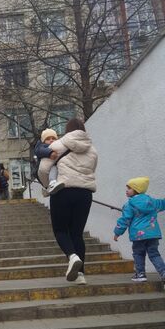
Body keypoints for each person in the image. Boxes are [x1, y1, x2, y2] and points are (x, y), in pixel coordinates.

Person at [46, 118, 98, 285]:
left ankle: (72, 256)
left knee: (60, 230)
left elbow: (43, 168)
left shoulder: (58, 145)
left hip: (63, 191)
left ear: (67, 130)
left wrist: (47, 185)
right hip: (85, 194)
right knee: (77, 234)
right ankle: (80, 275)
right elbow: (92, 170)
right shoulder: (93, 150)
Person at [113, 176, 165, 283]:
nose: (126, 190)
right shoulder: (152, 202)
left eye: (129, 188)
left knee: (138, 253)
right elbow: (162, 203)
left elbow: (125, 219)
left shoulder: (129, 204)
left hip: (138, 235)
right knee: (154, 254)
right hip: (152, 234)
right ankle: (163, 272)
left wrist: (117, 232)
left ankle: (140, 274)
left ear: (136, 190)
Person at [34, 128, 65, 196]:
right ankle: (52, 182)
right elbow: (40, 150)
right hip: (46, 168)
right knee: (53, 168)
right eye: (48, 139)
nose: (51, 140)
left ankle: (46, 189)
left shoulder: (58, 146)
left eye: (53, 138)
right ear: (43, 141)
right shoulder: (42, 146)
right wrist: (50, 152)